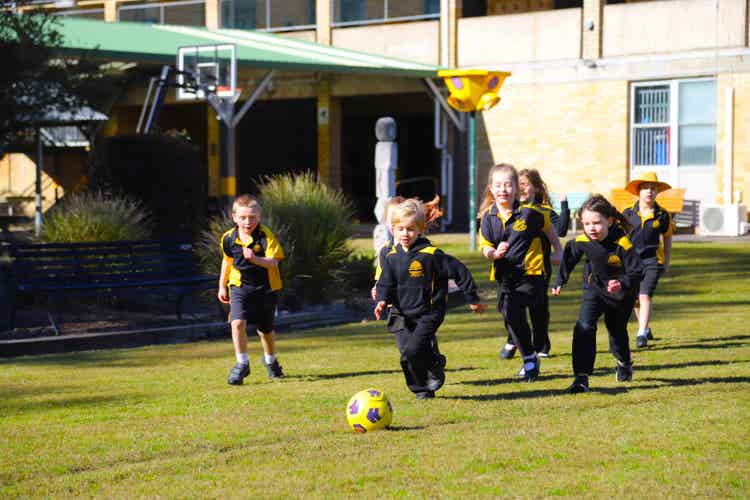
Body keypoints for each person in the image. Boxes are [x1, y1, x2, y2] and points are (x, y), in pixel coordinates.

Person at [374, 199, 486, 399]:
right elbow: (385, 281)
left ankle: (426, 379)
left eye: (410, 229)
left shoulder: (431, 254)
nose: (405, 234)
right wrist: (381, 300)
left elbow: (460, 271)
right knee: (407, 354)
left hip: (429, 312)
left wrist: (472, 298)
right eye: (400, 229)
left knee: (413, 350)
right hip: (401, 314)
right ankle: (425, 386)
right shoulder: (390, 255)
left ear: (420, 230)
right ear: (393, 229)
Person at [478, 163, 562, 382]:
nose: (503, 189)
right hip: (505, 277)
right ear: (491, 188)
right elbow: (484, 245)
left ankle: (531, 359)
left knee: (519, 310)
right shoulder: (488, 217)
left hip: (531, 275)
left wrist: (558, 252)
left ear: (516, 187)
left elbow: (550, 231)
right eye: (498, 185)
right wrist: (493, 253)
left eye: (508, 184)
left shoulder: (531, 213)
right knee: (511, 316)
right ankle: (530, 355)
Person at [552, 194, 643, 393]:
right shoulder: (583, 240)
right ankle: (581, 378)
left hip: (621, 295)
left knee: (616, 331)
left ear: (609, 221)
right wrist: (560, 281)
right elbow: (569, 255)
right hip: (594, 290)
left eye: (596, 223)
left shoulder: (623, 243)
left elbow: (637, 271)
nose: (591, 228)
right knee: (583, 326)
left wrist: (621, 283)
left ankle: (624, 361)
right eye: (586, 223)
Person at [499, 168, 570, 360]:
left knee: (538, 310)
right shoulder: (509, 212)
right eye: (517, 184)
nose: (520, 188)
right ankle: (514, 339)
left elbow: (561, 231)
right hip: (512, 269)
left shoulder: (543, 212)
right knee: (509, 307)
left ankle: (540, 346)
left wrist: (564, 205)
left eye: (525, 184)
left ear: (536, 188)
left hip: (538, 270)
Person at [218, 194, 286, 385]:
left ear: (259, 217)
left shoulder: (265, 237)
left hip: (266, 288)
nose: (248, 222)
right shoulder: (228, 239)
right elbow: (227, 261)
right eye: (243, 217)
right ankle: (242, 364)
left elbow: (274, 263)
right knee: (237, 323)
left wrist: (255, 259)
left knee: (265, 330)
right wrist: (222, 285)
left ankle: (271, 361)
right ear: (234, 217)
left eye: (252, 217)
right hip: (239, 287)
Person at [622, 171, 674, 348]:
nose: (650, 192)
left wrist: (666, 261)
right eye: (646, 188)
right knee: (635, 298)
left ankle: (641, 333)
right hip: (632, 261)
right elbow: (620, 237)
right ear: (638, 191)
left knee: (645, 295)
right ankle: (646, 326)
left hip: (653, 261)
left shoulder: (663, 215)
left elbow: (667, 238)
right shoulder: (628, 213)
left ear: (657, 192)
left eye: (653, 188)